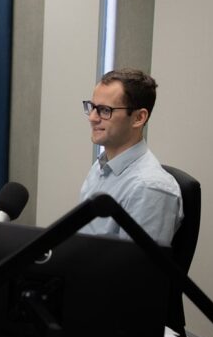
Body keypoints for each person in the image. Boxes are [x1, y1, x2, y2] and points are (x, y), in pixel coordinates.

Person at [78, 68, 182, 246]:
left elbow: (135, 263)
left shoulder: (150, 188)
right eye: (92, 107)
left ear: (138, 118)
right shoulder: (101, 165)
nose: (92, 118)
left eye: (104, 110)